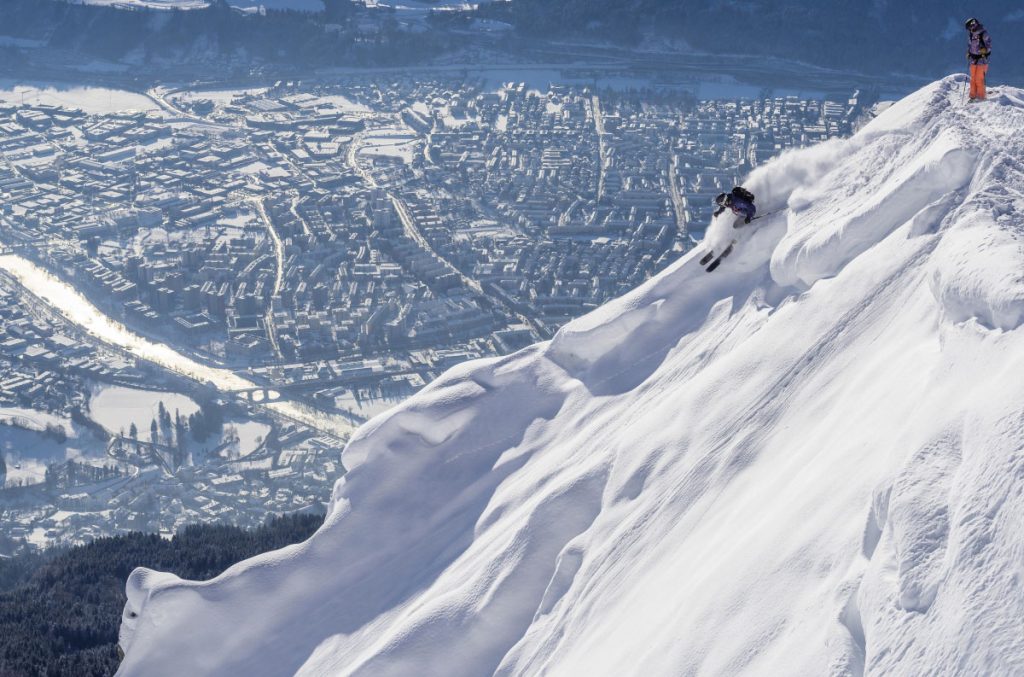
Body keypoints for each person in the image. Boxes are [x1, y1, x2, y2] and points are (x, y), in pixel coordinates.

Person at [965, 17, 992, 102]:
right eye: (969, 27)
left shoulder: (983, 33)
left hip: (982, 60)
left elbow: (989, 46)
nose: (970, 28)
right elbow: (970, 46)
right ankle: (973, 96)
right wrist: (969, 53)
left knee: (979, 79)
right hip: (973, 60)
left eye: (971, 26)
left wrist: (985, 50)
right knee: (973, 79)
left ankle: (981, 97)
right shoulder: (971, 34)